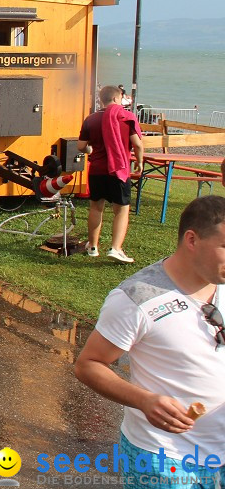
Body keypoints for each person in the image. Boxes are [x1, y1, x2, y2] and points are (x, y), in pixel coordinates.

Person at [74, 195, 225, 487]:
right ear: (192, 240)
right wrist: (144, 401)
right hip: (164, 460)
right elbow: (88, 364)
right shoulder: (136, 298)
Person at [78, 85, 144, 263]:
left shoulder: (90, 119)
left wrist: (90, 149)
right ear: (116, 99)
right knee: (121, 210)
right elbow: (137, 144)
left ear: (101, 99)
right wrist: (139, 161)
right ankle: (116, 248)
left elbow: (81, 146)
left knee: (96, 207)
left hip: (97, 169)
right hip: (118, 170)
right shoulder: (126, 117)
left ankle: (92, 246)